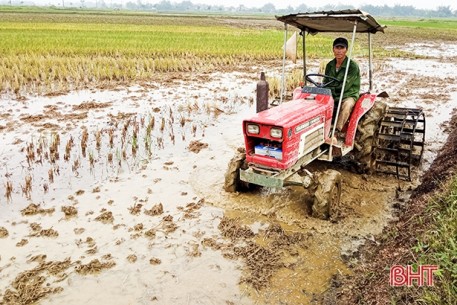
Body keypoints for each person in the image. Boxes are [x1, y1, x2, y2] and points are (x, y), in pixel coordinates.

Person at [324, 37, 360, 141]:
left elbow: (345, 86)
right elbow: (326, 82)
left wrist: (330, 90)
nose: (339, 50)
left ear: (346, 50)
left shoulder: (353, 67)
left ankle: (336, 132)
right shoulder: (329, 65)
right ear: (333, 49)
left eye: (342, 48)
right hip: (333, 93)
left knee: (347, 105)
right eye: (337, 47)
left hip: (348, 94)